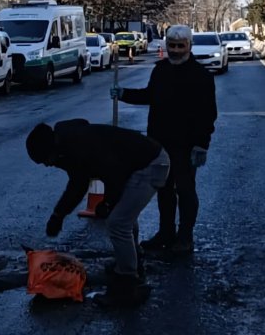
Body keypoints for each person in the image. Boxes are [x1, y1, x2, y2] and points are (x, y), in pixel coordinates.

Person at [26, 119, 170, 306]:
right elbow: (78, 184)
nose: (47, 165)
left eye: (45, 160)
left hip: (150, 164)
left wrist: (108, 203)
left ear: (50, 149)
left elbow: (115, 174)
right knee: (123, 216)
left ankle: (128, 285)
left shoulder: (78, 145)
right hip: (142, 162)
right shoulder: (66, 146)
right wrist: (58, 214)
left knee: (118, 223)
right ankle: (134, 262)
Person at [109, 24, 217, 253]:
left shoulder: (201, 76)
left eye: (181, 46)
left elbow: (208, 114)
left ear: (189, 46)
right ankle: (165, 233)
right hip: (158, 144)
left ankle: (185, 237)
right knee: (164, 190)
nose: (176, 50)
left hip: (186, 145)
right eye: (172, 46)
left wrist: (201, 145)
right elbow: (150, 96)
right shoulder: (160, 70)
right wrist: (124, 94)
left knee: (185, 190)